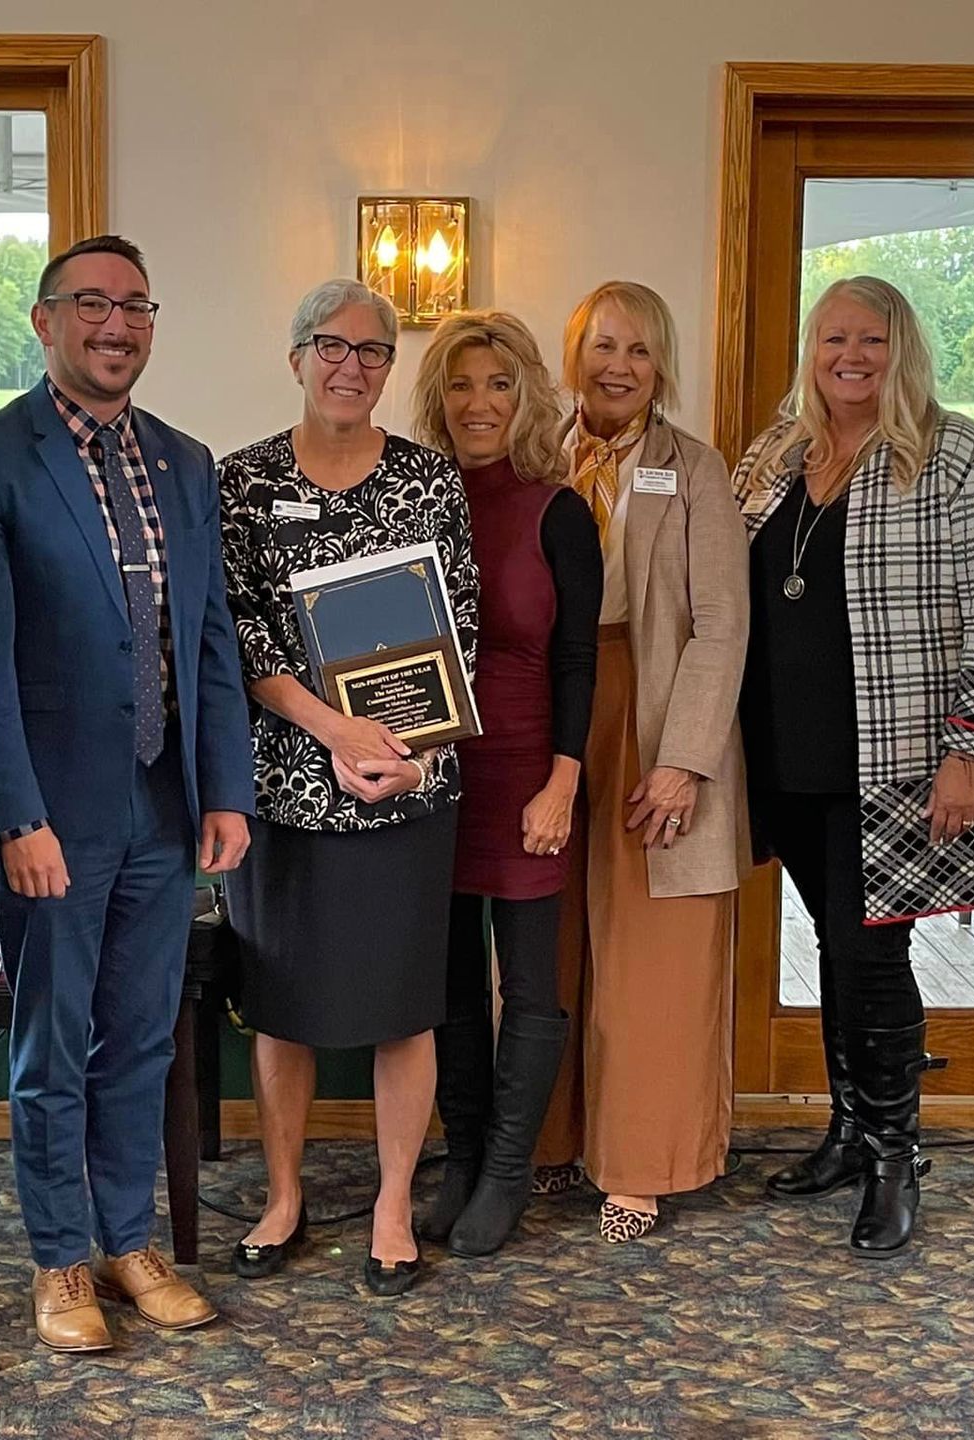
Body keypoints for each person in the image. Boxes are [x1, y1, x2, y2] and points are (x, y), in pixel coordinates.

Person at [0, 235, 255, 1351]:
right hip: (54, 818)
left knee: (139, 1039)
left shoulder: (184, 461)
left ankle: (130, 1243)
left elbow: (209, 637)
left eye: (136, 305)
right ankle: (60, 1262)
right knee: (52, 1044)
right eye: (91, 304)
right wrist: (13, 815)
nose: (116, 325)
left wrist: (226, 788)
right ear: (44, 321)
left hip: (164, 806)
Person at [732, 275, 974, 1257]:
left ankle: (898, 1154)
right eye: (832, 340)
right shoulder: (777, 453)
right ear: (809, 351)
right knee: (832, 944)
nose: (849, 358)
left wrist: (969, 752)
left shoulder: (950, 454)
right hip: (786, 750)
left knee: (873, 952)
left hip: (896, 757)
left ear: (901, 350)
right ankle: (848, 1132)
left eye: (870, 340)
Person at [218, 278, 479, 1296]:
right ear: (295, 358)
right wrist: (331, 729)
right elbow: (235, 634)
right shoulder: (238, 482)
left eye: (373, 352)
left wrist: (405, 756)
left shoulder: (430, 480)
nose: (350, 366)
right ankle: (284, 1197)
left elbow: (455, 628)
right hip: (284, 785)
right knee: (280, 1006)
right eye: (331, 346)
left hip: (405, 784)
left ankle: (388, 1203)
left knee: (403, 1009)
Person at [533, 281, 750, 1244]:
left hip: (655, 714)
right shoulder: (540, 456)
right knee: (551, 940)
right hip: (551, 712)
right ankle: (546, 1142)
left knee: (653, 953)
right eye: (602, 346)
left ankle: (640, 1163)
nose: (618, 366)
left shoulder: (696, 470)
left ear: (663, 368)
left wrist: (684, 761)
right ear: (574, 355)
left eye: (640, 350)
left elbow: (722, 628)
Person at [407, 310, 601, 1256]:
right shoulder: (409, 500)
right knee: (443, 978)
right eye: (459, 385)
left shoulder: (557, 510)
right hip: (433, 773)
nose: (478, 404)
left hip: (530, 771)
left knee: (527, 982)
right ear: (437, 400)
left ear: (524, 394)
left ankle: (508, 1174)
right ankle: (464, 1154)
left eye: (496, 385)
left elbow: (577, 662)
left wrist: (564, 780)